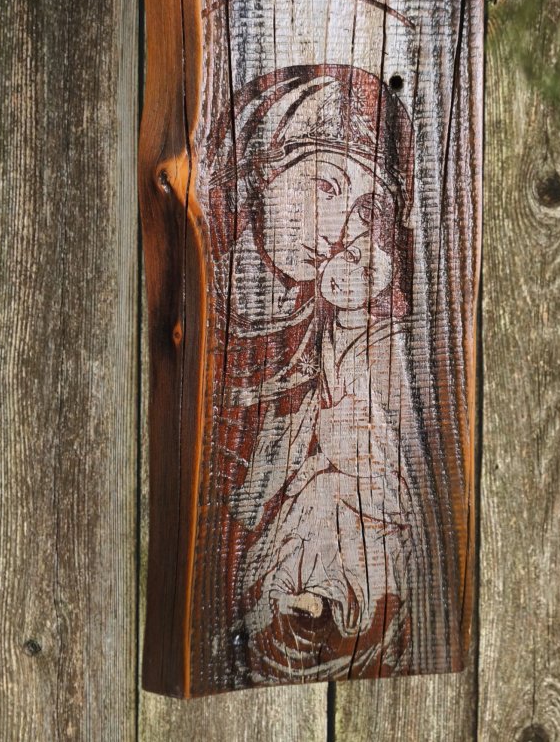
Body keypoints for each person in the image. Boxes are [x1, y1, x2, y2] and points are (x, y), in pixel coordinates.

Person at [198, 63, 423, 685]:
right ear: (261, 168)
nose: (338, 231)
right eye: (325, 185)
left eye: (363, 209)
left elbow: (373, 486)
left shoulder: (342, 333)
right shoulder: (194, 306)